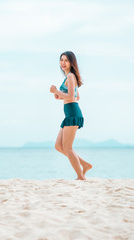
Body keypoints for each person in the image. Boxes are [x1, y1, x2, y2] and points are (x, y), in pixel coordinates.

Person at [50, 51, 92, 180]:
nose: (63, 63)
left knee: (67, 148)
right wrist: (59, 95)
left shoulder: (70, 77)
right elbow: (76, 96)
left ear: (71, 62)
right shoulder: (68, 77)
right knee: (59, 146)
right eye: (61, 60)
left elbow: (72, 96)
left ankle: (81, 177)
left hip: (73, 112)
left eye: (66, 60)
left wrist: (56, 91)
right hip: (69, 112)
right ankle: (84, 164)